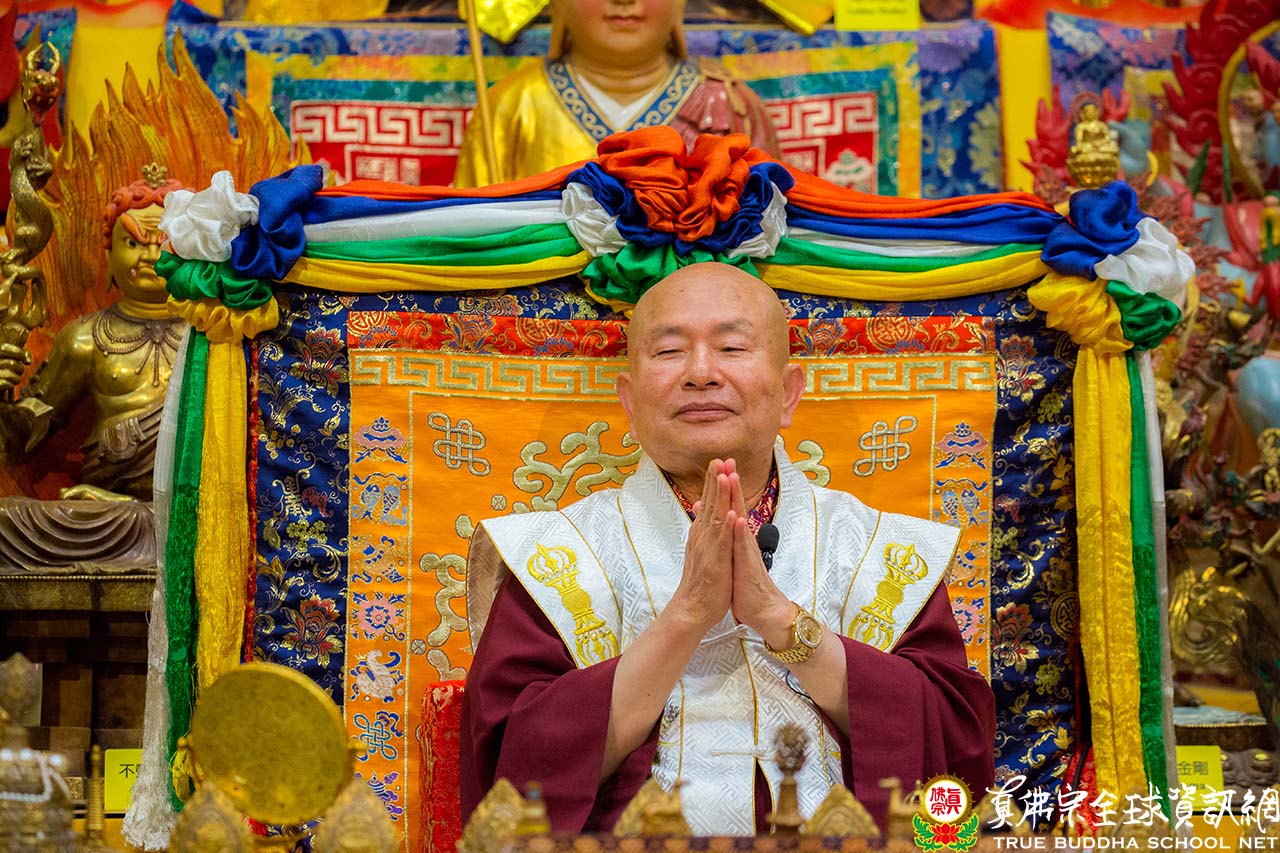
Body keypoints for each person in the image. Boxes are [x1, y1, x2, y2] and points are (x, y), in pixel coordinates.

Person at [461, 263, 995, 835]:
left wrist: (780, 620)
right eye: (670, 352)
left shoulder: (878, 548)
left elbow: (950, 747)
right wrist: (686, 616)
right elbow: (514, 767)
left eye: (732, 348)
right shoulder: (555, 554)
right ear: (629, 401)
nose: (700, 373)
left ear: (789, 393)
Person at [452, 0, 779, 187]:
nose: (624, 1)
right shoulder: (512, 102)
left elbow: (775, 224)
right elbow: (473, 231)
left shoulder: (730, 105)